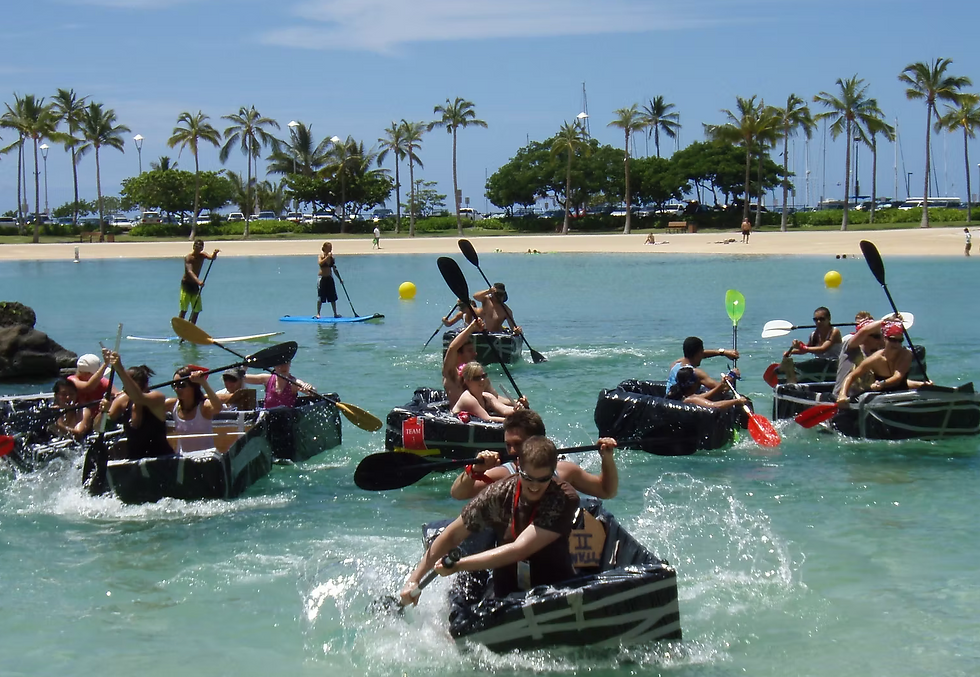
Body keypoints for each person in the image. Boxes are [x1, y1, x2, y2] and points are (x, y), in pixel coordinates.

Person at [400, 435, 579, 605]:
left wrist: (459, 565)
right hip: (506, 590)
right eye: (528, 478)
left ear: (552, 473)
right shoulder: (499, 492)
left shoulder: (564, 497)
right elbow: (452, 535)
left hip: (554, 587)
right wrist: (414, 579)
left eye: (543, 480)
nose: (534, 486)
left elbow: (520, 550)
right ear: (519, 468)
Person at [451, 409, 619, 501]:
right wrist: (474, 470)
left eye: (518, 444)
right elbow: (458, 494)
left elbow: (606, 491)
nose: (512, 451)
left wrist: (607, 457)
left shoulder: (565, 472)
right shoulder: (502, 474)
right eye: (508, 445)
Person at [99, 351, 172, 460]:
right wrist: (103, 412)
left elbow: (138, 397)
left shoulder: (157, 398)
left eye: (129, 384)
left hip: (162, 459)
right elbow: (98, 427)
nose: (126, 389)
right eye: (125, 385)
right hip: (134, 460)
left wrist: (120, 368)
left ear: (145, 385)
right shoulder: (122, 401)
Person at [837, 320, 919, 405]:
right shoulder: (875, 358)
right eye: (892, 340)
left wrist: (882, 384)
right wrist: (842, 395)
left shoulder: (906, 354)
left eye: (900, 340)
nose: (897, 344)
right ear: (884, 338)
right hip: (882, 400)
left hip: (902, 398)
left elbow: (898, 377)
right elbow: (851, 376)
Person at [165, 366, 223, 454]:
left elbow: (218, 407)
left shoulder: (203, 407)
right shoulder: (172, 404)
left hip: (206, 457)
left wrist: (203, 382)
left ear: (193, 387)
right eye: (174, 385)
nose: (176, 389)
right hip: (184, 458)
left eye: (181, 385)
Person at [831, 312, 886, 399]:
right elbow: (864, 331)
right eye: (877, 336)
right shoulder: (851, 348)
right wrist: (886, 321)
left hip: (864, 399)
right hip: (842, 399)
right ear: (864, 337)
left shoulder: (879, 355)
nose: (880, 340)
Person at [452, 362, 528, 422]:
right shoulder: (467, 399)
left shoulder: (487, 396)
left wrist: (519, 408)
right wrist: (514, 421)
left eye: (483, 376)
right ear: (467, 381)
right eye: (477, 378)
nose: (482, 380)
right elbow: (487, 418)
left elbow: (504, 410)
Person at [666, 337, 739, 396]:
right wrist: (732, 374)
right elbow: (724, 389)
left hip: (671, 402)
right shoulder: (696, 373)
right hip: (689, 406)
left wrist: (723, 352)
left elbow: (698, 354)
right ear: (699, 353)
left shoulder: (675, 365)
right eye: (701, 352)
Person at [667, 365, 749, 410]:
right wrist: (737, 401)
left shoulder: (681, 395)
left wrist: (720, 386)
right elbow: (715, 406)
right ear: (693, 384)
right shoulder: (690, 399)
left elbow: (701, 397)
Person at [442, 317, 482, 407]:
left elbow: (494, 397)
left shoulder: (477, 376)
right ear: (458, 354)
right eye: (470, 351)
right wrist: (472, 327)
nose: (475, 353)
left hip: (480, 414)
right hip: (460, 417)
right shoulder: (451, 374)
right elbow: (452, 348)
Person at [179, 239, 219, 326]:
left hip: (195, 285)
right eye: (197, 247)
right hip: (187, 284)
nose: (198, 249)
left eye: (200, 247)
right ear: (193, 247)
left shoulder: (202, 255)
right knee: (184, 308)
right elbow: (189, 271)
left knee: (196, 309)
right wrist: (198, 281)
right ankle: (180, 325)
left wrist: (215, 254)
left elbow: (212, 258)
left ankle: (192, 327)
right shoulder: (188, 257)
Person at [244, 362, 315, 408]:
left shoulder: (294, 382)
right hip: (267, 419)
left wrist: (309, 388)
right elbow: (242, 378)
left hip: (286, 420)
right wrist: (244, 367)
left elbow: (313, 393)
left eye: (286, 363)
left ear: (290, 364)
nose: (283, 366)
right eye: (280, 364)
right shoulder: (267, 379)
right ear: (274, 366)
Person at [316, 242, 342, 319]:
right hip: (322, 278)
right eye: (329, 247)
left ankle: (335, 313)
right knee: (321, 297)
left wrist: (340, 279)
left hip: (329, 278)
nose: (331, 249)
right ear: (325, 248)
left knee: (332, 297)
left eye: (331, 247)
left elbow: (334, 269)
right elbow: (320, 263)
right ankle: (318, 313)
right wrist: (327, 257)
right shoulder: (321, 255)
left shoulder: (332, 258)